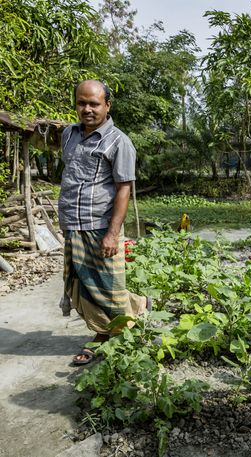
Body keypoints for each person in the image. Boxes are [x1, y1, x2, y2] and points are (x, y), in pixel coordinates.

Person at [59, 80, 151, 365]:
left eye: (94, 104)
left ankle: (107, 336)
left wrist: (113, 233)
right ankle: (138, 306)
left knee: (107, 287)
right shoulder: (68, 134)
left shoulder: (119, 142)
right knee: (81, 284)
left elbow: (124, 188)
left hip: (101, 225)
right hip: (73, 223)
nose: (87, 109)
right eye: (81, 103)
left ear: (107, 105)